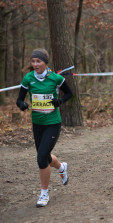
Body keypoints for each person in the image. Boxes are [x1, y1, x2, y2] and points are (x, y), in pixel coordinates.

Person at [16, 48, 73, 207]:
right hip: (37, 124)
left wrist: (59, 102)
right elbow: (19, 100)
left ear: (45, 63)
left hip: (52, 123)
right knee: (45, 156)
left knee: (41, 158)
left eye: (38, 61)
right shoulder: (28, 78)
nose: (35, 64)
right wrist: (22, 105)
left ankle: (44, 193)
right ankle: (61, 167)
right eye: (33, 61)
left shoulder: (55, 78)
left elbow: (69, 94)